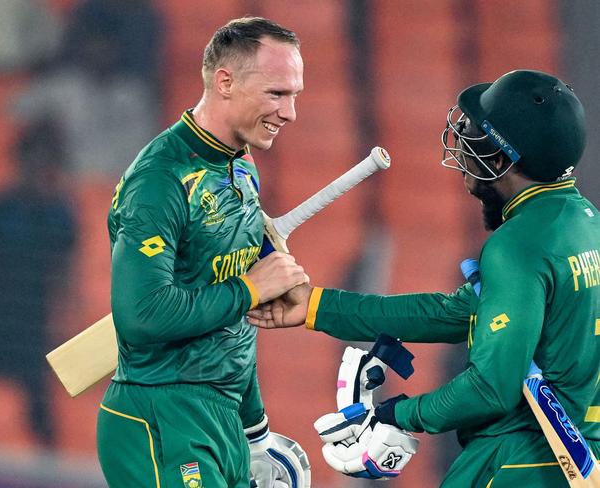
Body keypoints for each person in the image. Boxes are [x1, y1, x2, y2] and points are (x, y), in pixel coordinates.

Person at [248, 69, 600, 487]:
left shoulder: (517, 246)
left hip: (519, 464)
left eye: (475, 135)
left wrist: (395, 414)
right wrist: (316, 306)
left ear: (502, 160)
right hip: (580, 459)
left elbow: (490, 390)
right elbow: (453, 314)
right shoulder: (587, 224)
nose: (464, 144)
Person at [96, 17, 311, 488]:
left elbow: (232, 325)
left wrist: (256, 434)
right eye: (278, 94)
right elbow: (142, 316)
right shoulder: (160, 180)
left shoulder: (241, 166)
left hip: (223, 418)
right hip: (159, 418)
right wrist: (250, 287)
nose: (290, 112)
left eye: (294, 94)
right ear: (225, 82)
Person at [0, 119, 76, 446]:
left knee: (42, 421)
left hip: (35, 332)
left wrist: (62, 333)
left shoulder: (61, 215)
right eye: (32, 158)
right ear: (20, 159)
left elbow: (67, 280)